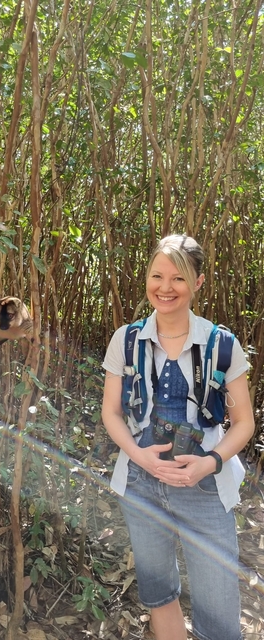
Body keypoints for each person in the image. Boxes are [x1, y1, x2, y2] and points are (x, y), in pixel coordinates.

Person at [101, 235, 254, 640]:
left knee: (219, 615)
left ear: (198, 283)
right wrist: (138, 454)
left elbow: (243, 424)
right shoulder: (128, 339)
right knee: (159, 595)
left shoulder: (221, 345)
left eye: (178, 278)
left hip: (203, 488)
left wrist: (210, 461)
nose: (165, 288)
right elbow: (111, 412)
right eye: (157, 276)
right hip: (141, 484)